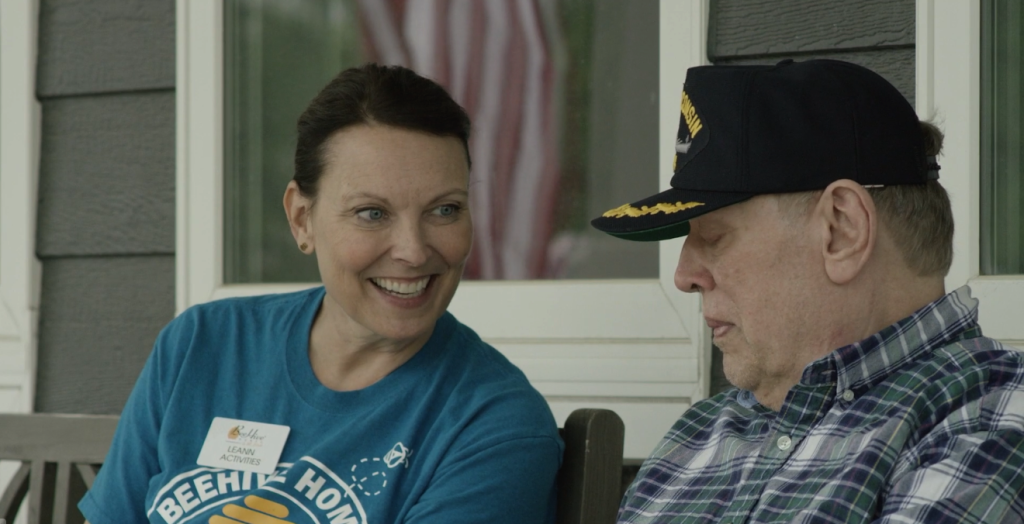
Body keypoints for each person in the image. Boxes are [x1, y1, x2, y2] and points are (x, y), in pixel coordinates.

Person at [79, 63, 562, 524]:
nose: (414, 252)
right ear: (301, 218)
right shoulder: (202, 345)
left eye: (445, 210)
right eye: (372, 213)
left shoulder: (492, 424)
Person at [591, 59, 1024, 523]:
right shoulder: (698, 435)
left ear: (842, 229)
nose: (684, 274)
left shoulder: (989, 420)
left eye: (713, 237)